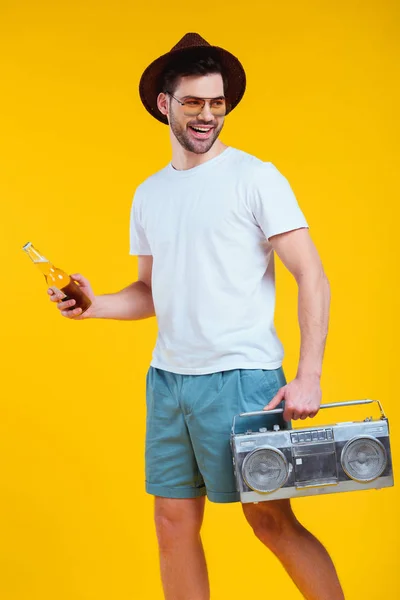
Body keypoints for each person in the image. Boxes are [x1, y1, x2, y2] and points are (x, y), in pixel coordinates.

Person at [48, 33, 345, 600]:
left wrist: (309, 373)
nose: (208, 115)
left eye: (217, 103)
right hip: (169, 382)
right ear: (165, 104)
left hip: (242, 380)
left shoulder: (256, 178)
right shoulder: (149, 193)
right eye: (193, 103)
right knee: (172, 525)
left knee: (270, 523)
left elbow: (311, 273)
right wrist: (95, 304)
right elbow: (149, 291)